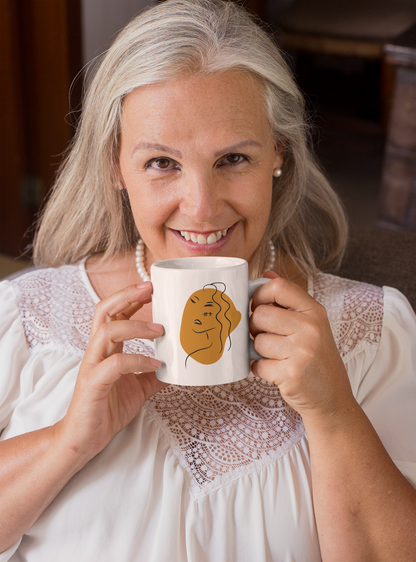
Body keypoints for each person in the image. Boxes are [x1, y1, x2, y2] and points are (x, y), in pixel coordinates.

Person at [0, 1, 415, 560]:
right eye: (161, 163)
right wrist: (67, 440)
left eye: (234, 158)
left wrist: (334, 412)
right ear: (115, 168)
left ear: (279, 155)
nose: (200, 208)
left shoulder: (374, 329)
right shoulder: (24, 315)